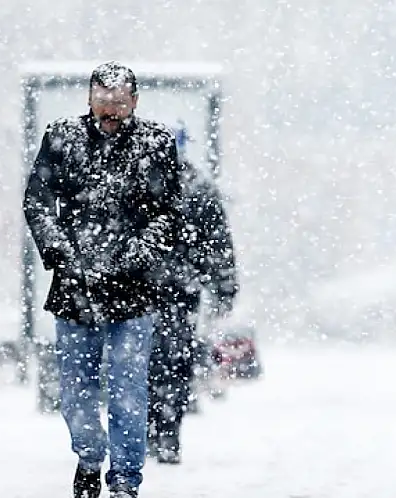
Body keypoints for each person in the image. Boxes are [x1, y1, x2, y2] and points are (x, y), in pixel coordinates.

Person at [23, 61, 183, 498]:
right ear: (89, 99)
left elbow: (169, 212)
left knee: (129, 387)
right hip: (75, 287)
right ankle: (90, 456)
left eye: (118, 101)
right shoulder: (62, 137)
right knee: (76, 391)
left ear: (134, 100)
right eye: (102, 100)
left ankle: (126, 481)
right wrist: (61, 252)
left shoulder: (156, 143)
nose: (110, 110)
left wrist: (135, 255)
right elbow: (37, 201)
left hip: (135, 287)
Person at [147, 122, 238, 465]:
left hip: (151, 290)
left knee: (150, 361)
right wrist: (223, 287)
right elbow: (219, 243)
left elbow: (217, 242)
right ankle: (165, 430)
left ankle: (154, 430)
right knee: (172, 361)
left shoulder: (145, 182)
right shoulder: (197, 186)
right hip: (178, 290)